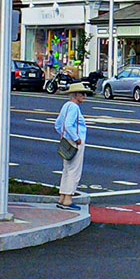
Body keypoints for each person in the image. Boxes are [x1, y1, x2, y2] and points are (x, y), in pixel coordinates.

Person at [55, 83, 89, 211]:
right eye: (82, 94)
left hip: (66, 142)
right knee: (74, 171)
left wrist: (64, 136)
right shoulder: (74, 107)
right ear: (76, 95)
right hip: (75, 142)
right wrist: (76, 138)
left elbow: (58, 124)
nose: (85, 96)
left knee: (67, 169)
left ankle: (62, 197)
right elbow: (69, 124)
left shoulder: (66, 106)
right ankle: (68, 199)